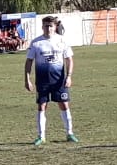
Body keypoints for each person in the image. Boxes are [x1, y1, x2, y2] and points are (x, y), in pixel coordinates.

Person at [25, 15, 78, 145]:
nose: (48, 28)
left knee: (64, 104)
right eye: (46, 26)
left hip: (59, 81)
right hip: (42, 81)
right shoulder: (36, 43)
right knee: (42, 106)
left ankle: (70, 133)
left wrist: (69, 76)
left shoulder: (62, 40)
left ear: (55, 27)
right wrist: (27, 79)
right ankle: (41, 136)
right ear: (42, 27)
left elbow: (69, 59)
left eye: (50, 26)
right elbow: (29, 61)